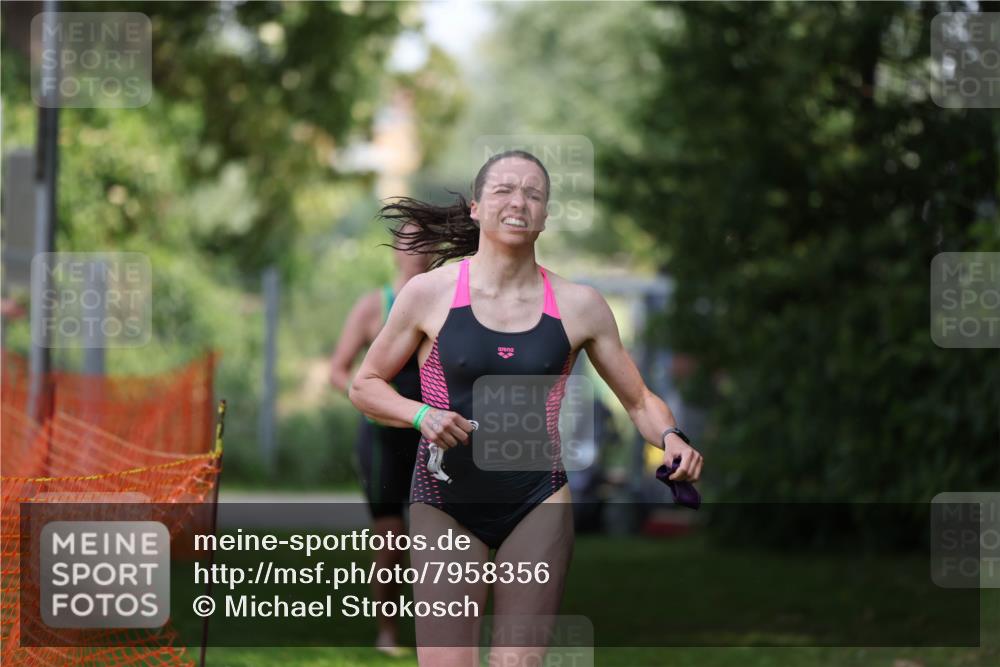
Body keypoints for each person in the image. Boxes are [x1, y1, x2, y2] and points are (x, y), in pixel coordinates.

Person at [349, 150, 704, 666]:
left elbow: (640, 400)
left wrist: (673, 439)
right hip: (445, 501)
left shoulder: (580, 305)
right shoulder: (430, 294)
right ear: (476, 208)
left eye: (533, 194)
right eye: (504, 190)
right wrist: (421, 415)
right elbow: (366, 384)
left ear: (544, 216)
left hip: (537, 500)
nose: (519, 201)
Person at [328, 222, 431, 655]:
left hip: (431, 439)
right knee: (391, 540)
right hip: (383, 440)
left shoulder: (442, 304)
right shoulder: (374, 306)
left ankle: (440, 634)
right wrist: (372, 401)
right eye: (408, 242)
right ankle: (387, 634)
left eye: (424, 242)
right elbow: (338, 371)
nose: (416, 251)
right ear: (394, 252)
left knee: (438, 540)